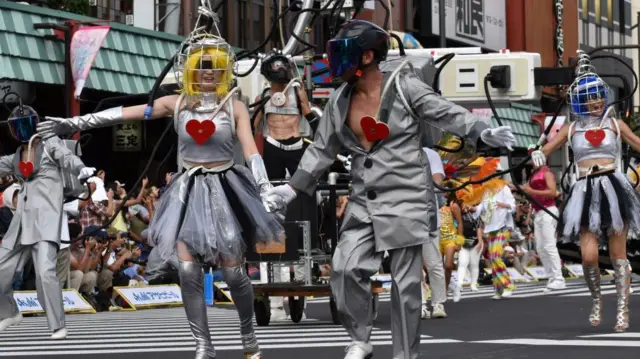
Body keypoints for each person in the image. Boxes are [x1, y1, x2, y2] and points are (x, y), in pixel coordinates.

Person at [263, 19, 516, 359]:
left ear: (367, 56)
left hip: (407, 195)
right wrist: (292, 190)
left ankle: (404, 354)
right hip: (365, 199)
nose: (335, 59)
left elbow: (442, 112)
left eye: (343, 52)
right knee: (345, 266)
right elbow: (321, 150)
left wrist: (481, 132)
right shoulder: (339, 100)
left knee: (406, 284)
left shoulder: (404, 85)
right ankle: (361, 339)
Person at [36, 21, 283, 359]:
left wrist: (265, 186)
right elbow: (125, 114)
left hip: (226, 189)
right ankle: (203, 344)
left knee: (234, 271)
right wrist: (74, 123)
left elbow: (251, 150)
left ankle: (247, 331)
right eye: (202, 66)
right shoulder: (176, 103)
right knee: (187, 269)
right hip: (186, 192)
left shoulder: (235, 106)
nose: (208, 73)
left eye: (215, 67)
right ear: (190, 69)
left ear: (225, 70)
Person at [531, 51, 640, 332]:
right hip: (584, 190)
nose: (594, 101)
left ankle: (623, 311)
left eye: (597, 95)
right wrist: (538, 156)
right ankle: (596, 300)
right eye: (587, 96)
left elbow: (637, 144)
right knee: (589, 256)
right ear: (578, 99)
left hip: (614, 187)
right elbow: (545, 150)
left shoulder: (616, 124)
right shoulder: (571, 128)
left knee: (619, 256)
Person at [0, 104, 95, 339]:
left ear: (35, 124)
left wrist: (82, 169)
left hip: (46, 221)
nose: (21, 130)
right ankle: (9, 312)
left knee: (45, 273)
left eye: (25, 124)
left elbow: (66, 156)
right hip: (21, 222)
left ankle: (56, 325)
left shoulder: (50, 145)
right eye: (16, 126)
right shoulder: (15, 157)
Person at [253, 50, 319, 321]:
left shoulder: (296, 92)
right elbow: (254, 127)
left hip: (296, 144)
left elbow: (308, 115)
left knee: (305, 194)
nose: (279, 83)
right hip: (272, 146)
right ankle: (272, 246)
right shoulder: (264, 97)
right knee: (270, 202)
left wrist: (303, 96)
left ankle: (311, 241)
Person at [509, 157, 566, 292]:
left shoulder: (547, 173)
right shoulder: (534, 174)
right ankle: (552, 277)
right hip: (539, 212)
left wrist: (531, 191)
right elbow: (528, 190)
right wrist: (514, 186)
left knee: (549, 245)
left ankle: (559, 278)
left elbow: (552, 192)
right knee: (540, 247)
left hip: (548, 210)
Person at [470, 165, 517, 300]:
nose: (490, 177)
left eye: (493, 174)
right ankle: (498, 289)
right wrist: (472, 209)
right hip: (491, 228)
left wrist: (504, 205)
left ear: (499, 175)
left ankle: (508, 284)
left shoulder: (504, 188)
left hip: (503, 226)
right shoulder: (486, 191)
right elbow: (480, 208)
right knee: (493, 258)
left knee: (496, 255)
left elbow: (513, 206)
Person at [419, 147, 448, 319]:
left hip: (428, 215)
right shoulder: (396, 150)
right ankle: (421, 303)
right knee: (413, 265)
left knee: (433, 262)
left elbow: (438, 183)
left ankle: (438, 302)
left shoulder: (431, 154)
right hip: (406, 217)